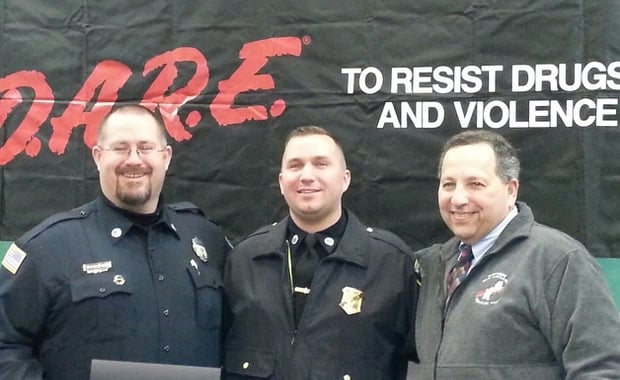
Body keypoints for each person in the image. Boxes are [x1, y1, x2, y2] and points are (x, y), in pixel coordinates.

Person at [0, 105, 230, 379]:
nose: (134, 160)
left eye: (145, 148)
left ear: (166, 157)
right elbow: (7, 344)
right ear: (98, 157)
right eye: (120, 148)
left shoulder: (207, 240)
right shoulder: (47, 248)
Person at [410, 130, 620, 379]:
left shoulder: (558, 260)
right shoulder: (430, 265)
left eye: (475, 184)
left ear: (511, 190)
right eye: (448, 184)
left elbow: (602, 369)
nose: (458, 198)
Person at [222, 126, 419, 379]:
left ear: (345, 179)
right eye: (295, 165)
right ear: (282, 182)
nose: (306, 175)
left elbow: (416, 362)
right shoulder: (245, 259)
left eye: (321, 164)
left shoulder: (391, 261)